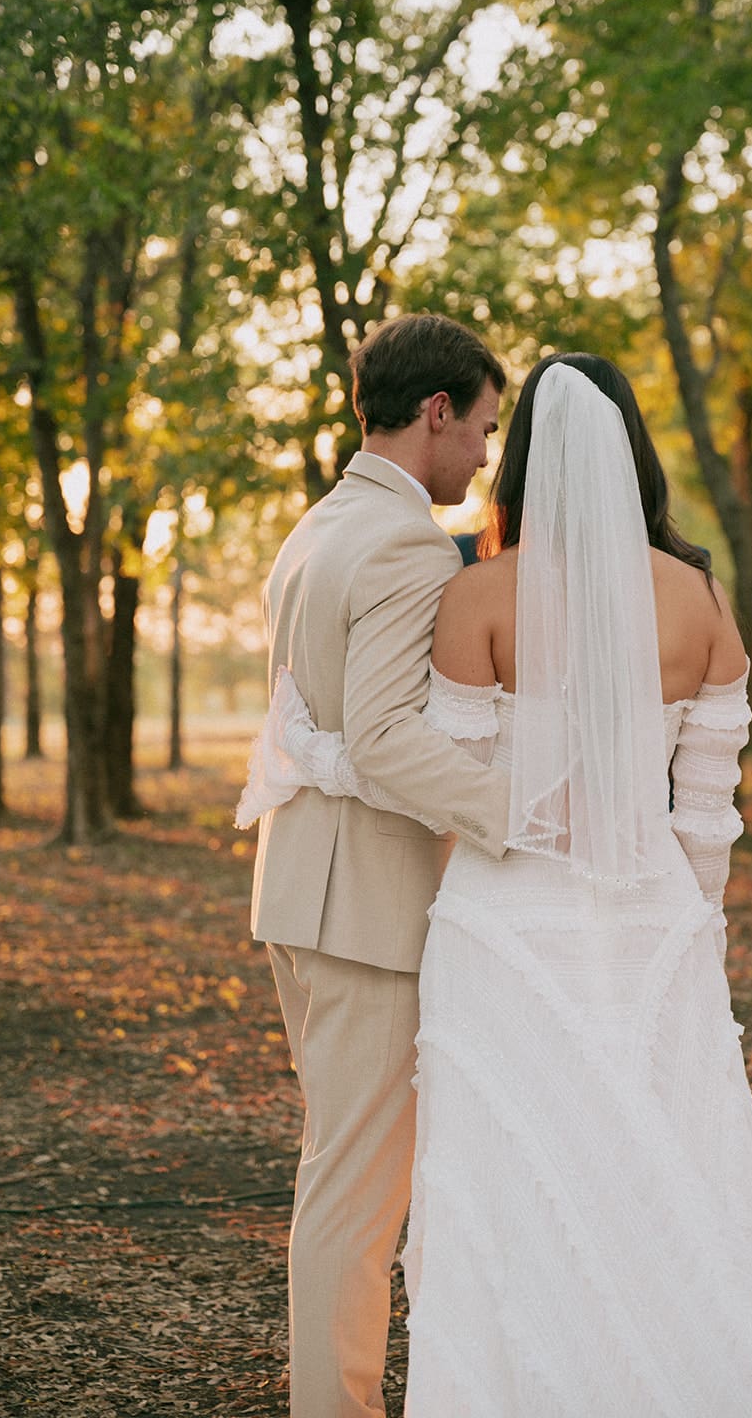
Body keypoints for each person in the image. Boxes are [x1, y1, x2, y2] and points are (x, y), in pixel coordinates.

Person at [242, 354, 752, 1416]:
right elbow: (707, 808)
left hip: (504, 921)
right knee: (657, 1162)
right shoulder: (701, 600)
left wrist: (322, 760)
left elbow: (449, 783)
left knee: (511, 1173)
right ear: (633, 456)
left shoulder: (476, 592)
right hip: (651, 915)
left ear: (523, 463)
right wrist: (692, 923)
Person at [245, 312, 512, 1418]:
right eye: (484, 429)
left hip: (301, 891)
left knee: (337, 1178)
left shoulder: (316, 524)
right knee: (356, 1197)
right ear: (436, 412)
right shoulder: (405, 540)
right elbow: (389, 736)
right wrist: (529, 818)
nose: (489, 457)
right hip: (365, 908)